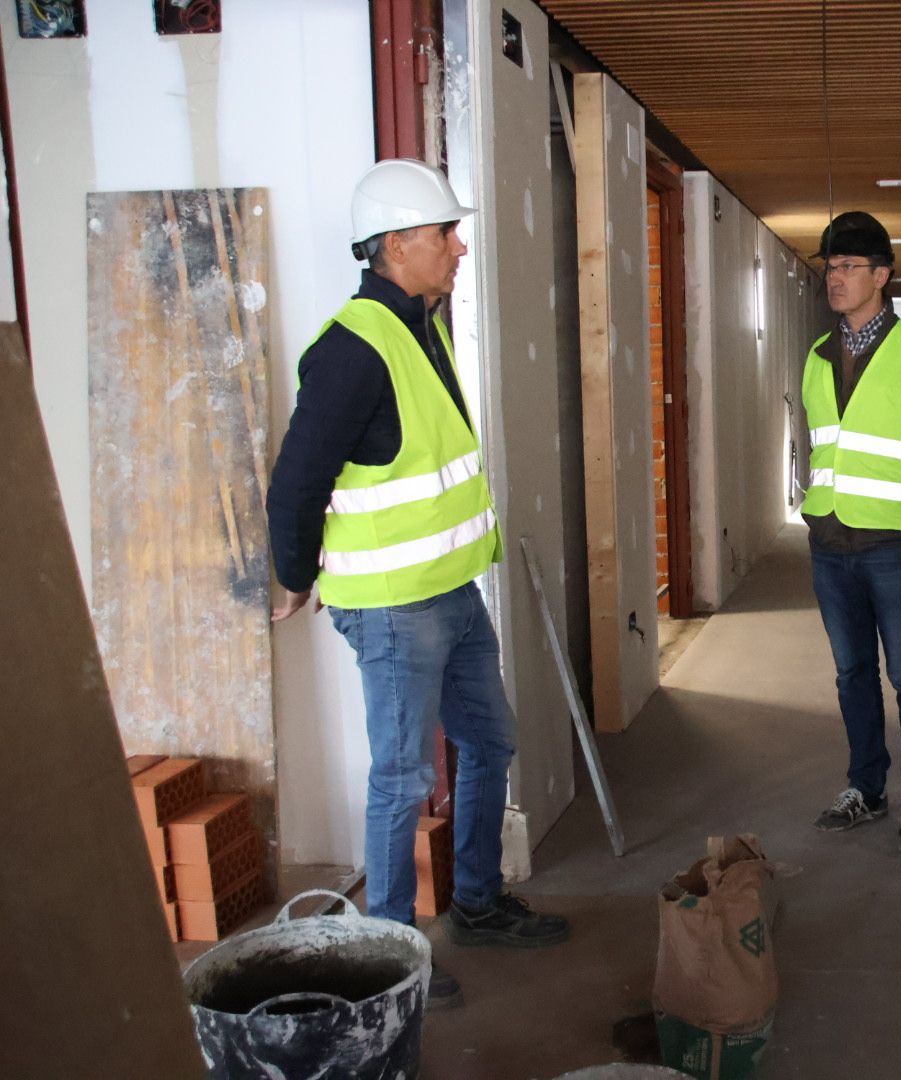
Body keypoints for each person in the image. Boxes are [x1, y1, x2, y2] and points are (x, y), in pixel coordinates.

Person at [266, 159, 569, 1010]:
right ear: (397, 244)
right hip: (395, 607)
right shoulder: (353, 349)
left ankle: (475, 901)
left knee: (491, 742)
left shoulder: (420, 325)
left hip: (451, 595)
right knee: (401, 781)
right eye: (446, 234)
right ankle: (389, 962)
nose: (460, 247)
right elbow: (296, 483)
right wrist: (294, 576)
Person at [801, 210, 901, 854]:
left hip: (895, 544)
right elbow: (816, 445)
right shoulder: (817, 354)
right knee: (851, 674)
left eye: (847, 268)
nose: (834, 280)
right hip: (829, 543)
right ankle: (866, 788)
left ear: (882, 276)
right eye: (829, 269)